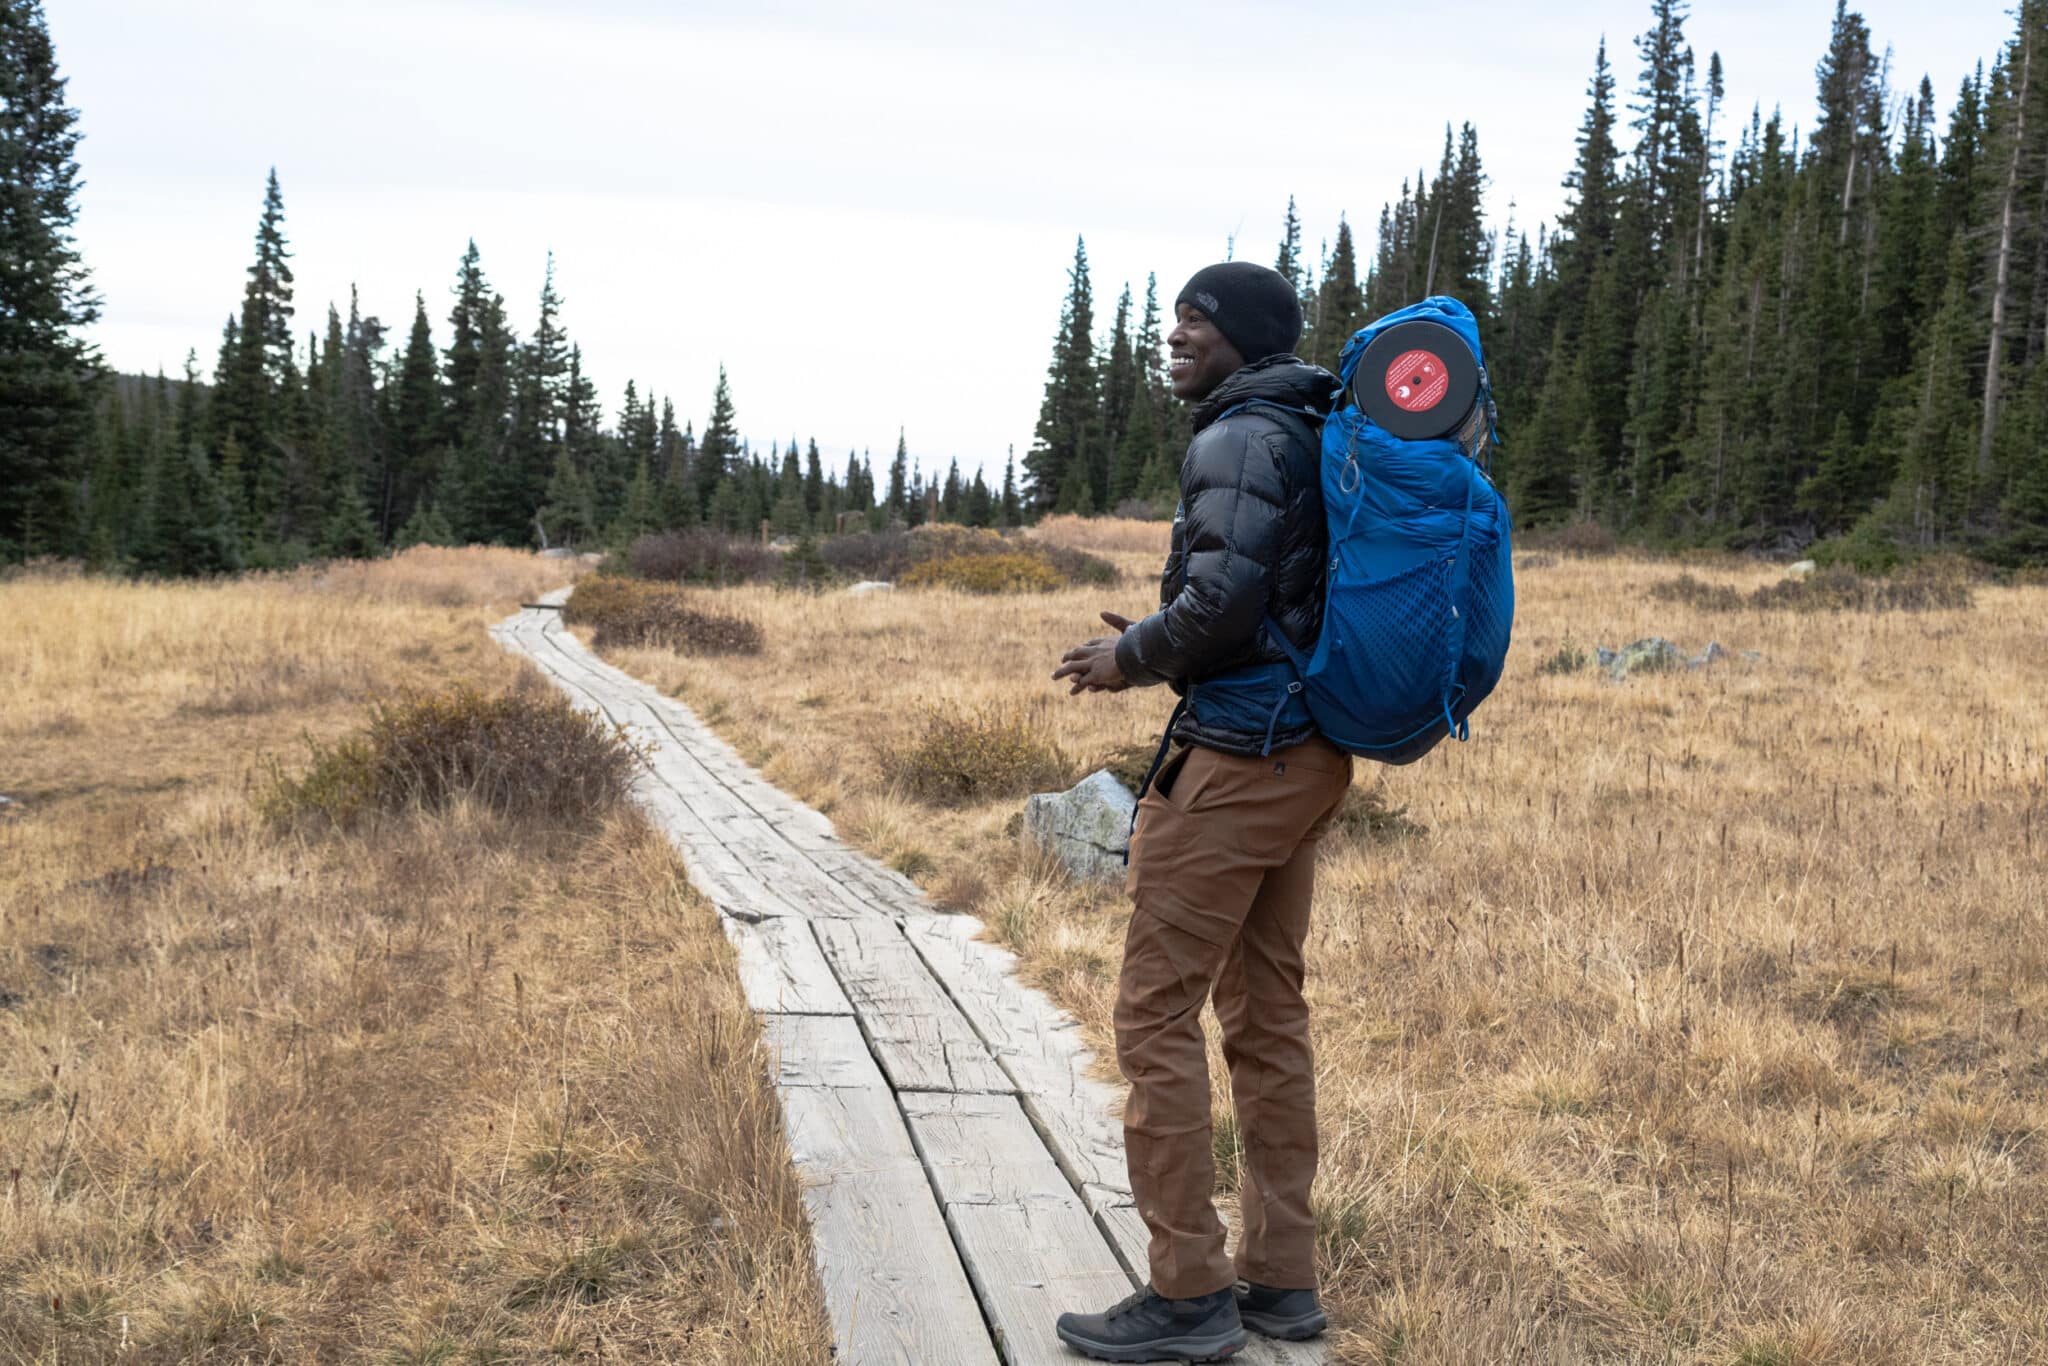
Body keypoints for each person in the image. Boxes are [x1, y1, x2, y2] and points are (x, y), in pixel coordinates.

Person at [1051, 261, 1349, 1362]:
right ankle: (1279, 1281)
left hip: (1234, 762)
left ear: (1243, 338)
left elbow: (1219, 599)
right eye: (1173, 319)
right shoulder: (1308, 427)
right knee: (1266, 1017)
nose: (1176, 336)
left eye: (1196, 323)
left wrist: (1131, 654)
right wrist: (1172, 638)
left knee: (1153, 1015)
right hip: (1305, 751)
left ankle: (1186, 1293)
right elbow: (1261, 598)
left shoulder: (1239, 435)